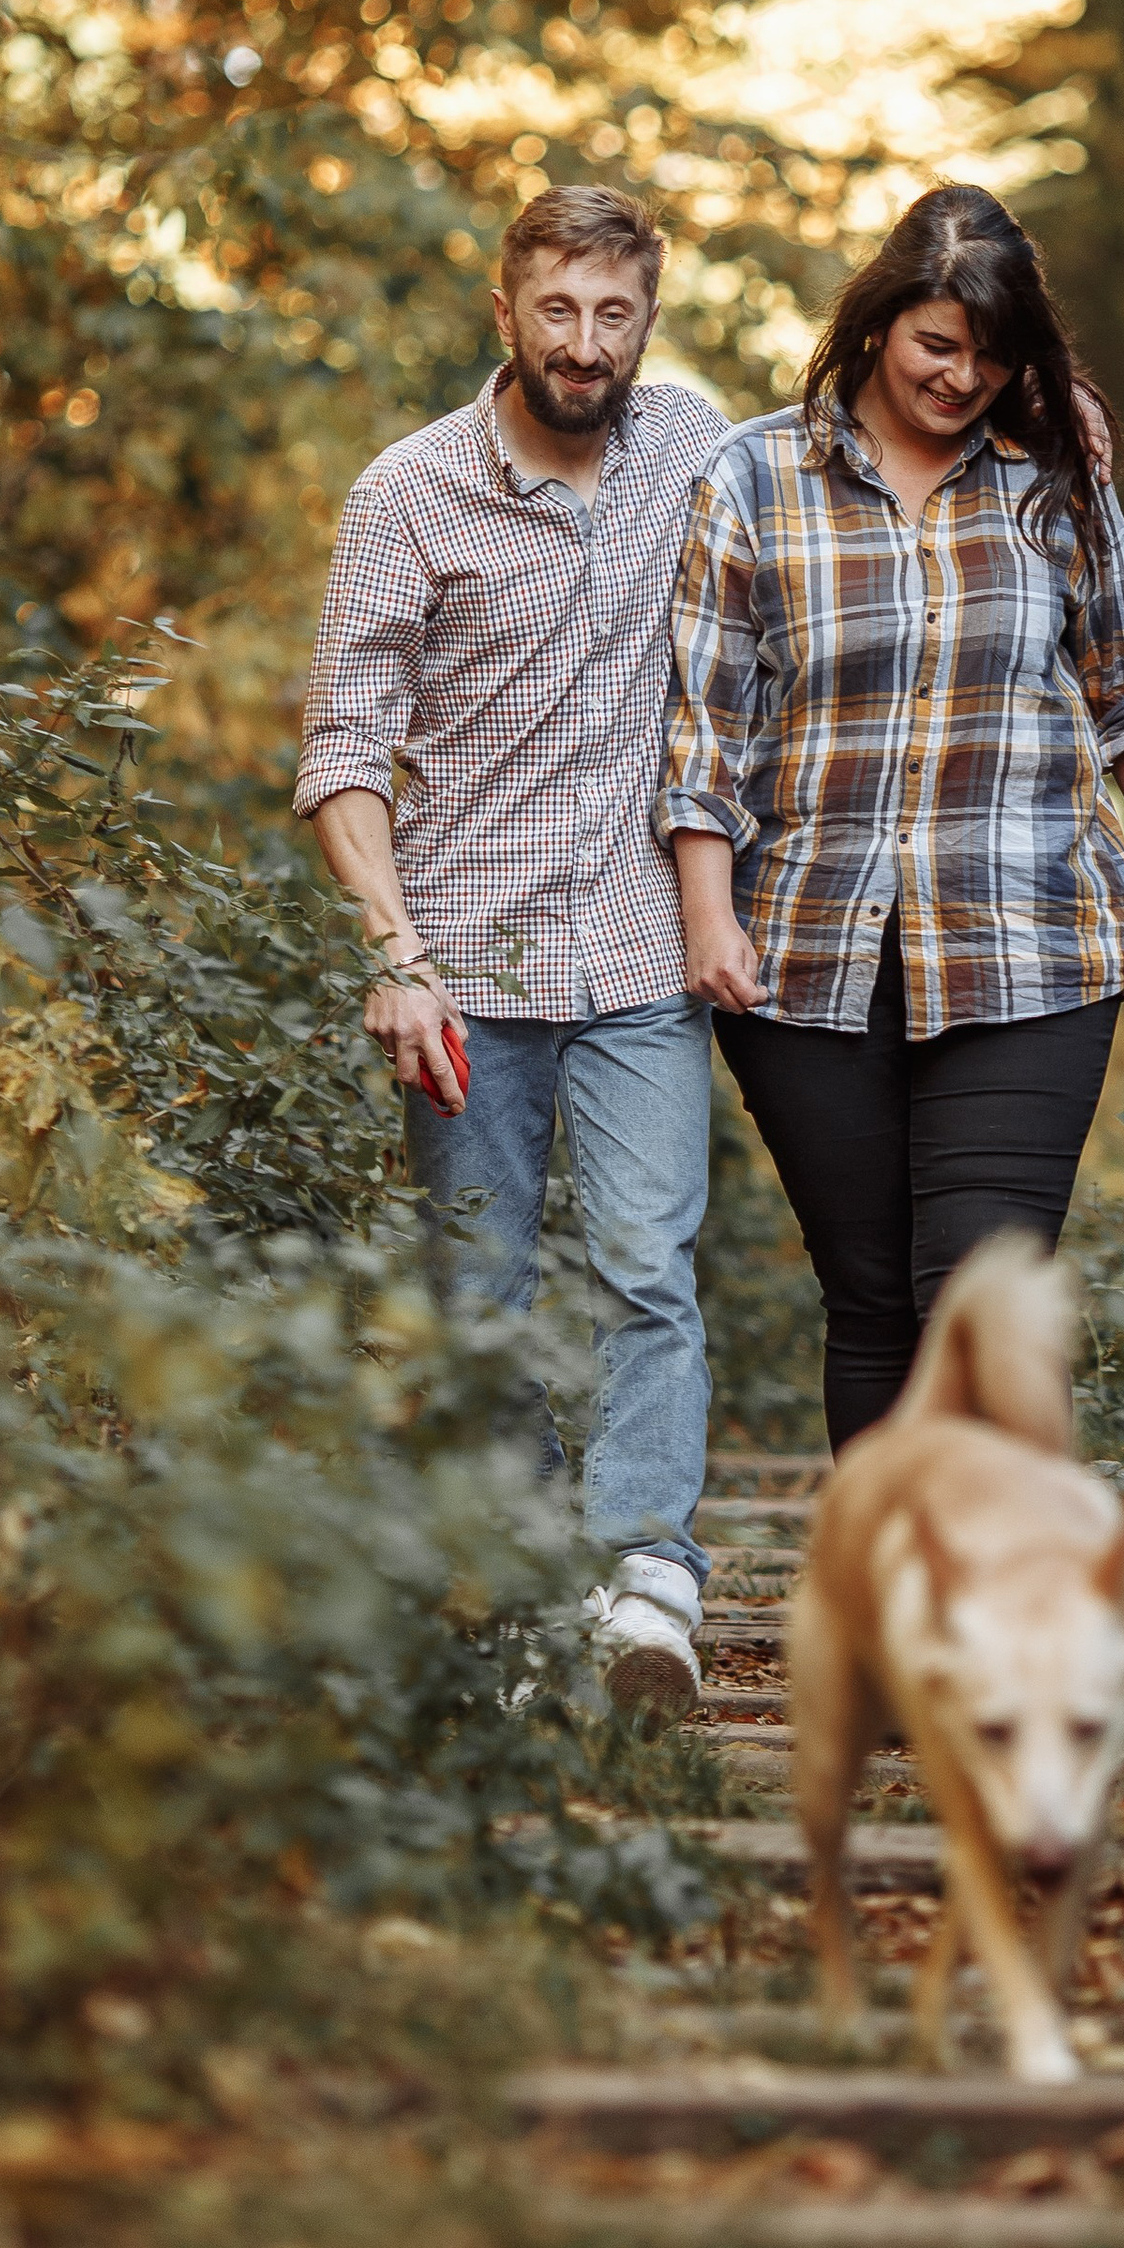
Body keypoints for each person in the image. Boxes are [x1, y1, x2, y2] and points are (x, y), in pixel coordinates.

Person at [658, 181, 1124, 1450]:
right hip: (803, 953)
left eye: (991, 353)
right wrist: (706, 914)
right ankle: (894, 1630)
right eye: (936, 345)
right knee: (870, 1312)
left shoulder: (1053, 478)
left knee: (979, 1308)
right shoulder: (750, 475)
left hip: (1029, 945)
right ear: (877, 321)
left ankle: (991, 1623)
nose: (961, 378)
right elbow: (703, 725)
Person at [293, 184, 727, 1721]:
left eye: (615, 313)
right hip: (462, 970)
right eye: (558, 308)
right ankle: (535, 1587)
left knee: (647, 1273)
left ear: (648, 321)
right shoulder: (408, 493)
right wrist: (395, 950)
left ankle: (649, 1587)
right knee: (478, 1301)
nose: (585, 343)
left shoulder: (694, 449)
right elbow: (343, 753)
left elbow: (860, 453)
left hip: (639, 959)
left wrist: (1038, 410)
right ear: (506, 311)